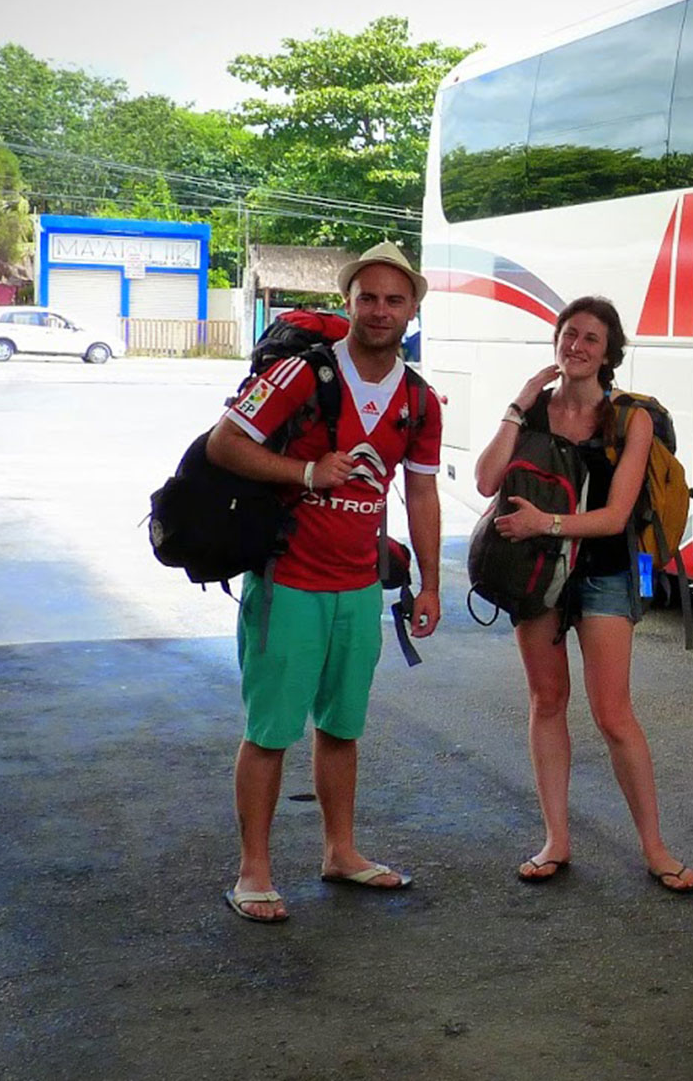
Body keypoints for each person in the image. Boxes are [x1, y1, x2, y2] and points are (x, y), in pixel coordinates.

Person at [206, 241, 443, 923]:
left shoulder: (419, 399)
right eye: (367, 297)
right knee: (271, 731)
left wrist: (427, 585)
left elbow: (421, 497)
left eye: (394, 300)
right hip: (290, 580)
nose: (379, 310)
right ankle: (254, 871)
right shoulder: (304, 375)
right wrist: (308, 474)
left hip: (359, 585)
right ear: (349, 303)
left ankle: (341, 851)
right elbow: (226, 443)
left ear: (412, 309)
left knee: (342, 728)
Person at [474, 296, 693, 894]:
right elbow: (485, 478)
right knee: (547, 699)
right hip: (536, 572)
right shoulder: (535, 411)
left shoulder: (631, 419)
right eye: (568, 334)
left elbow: (614, 514)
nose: (575, 346)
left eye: (590, 339)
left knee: (613, 713)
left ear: (609, 354)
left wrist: (542, 524)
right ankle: (556, 839)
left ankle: (655, 848)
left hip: (601, 570)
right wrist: (520, 403)